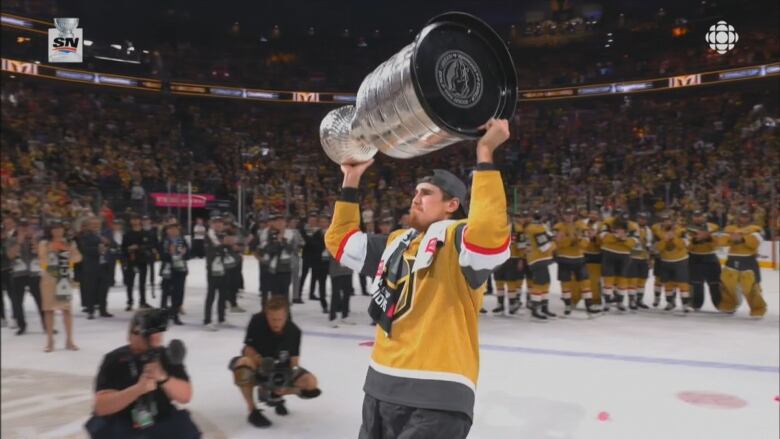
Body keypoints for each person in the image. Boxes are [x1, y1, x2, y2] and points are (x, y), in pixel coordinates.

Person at [325, 119, 511, 438]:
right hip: (380, 387)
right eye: (415, 192)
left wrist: (484, 152)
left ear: (452, 205)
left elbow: (489, 235)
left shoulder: (457, 239)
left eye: (426, 193)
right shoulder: (397, 241)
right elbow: (340, 241)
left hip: (438, 395)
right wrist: (351, 180)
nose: (415, 198)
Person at [86, 309, 200, 438]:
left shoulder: (166, 356)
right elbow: (101, 406)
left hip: (161, 421)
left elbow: (185, 396)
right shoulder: (114, 359)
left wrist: (163, 378)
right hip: (124, 424)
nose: (157, 337)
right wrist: (137, 390)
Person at [229, 297, 321, 428]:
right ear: (266, 315)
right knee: (242, 368)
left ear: (286, 316)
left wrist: (285, 383)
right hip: (258, 364)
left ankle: (274, 394)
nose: (276, 323)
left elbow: (294, 362)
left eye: (279, 319)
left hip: (281, 369)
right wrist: (260, 361)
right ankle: (252, 411)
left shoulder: (294, 331)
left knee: (311, 384)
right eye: (272, 319)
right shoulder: (257, 321)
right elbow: (247, 348)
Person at [39, 220, 82, 352]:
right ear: (50, 231)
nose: (57, 231)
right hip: (49, 279)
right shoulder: (44, 244)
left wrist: (69, 252)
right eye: (55, 228)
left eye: (60, 228)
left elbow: (78, 258)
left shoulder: (69, 243)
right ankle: (50, 340)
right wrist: (53, 250)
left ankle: (69, 340)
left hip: (63, 278)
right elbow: (42, 260)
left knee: (66, 310)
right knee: (48, 310)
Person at [716, 208, 766, 317]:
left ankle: (758, 308)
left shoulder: (756, 229)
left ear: (750, 217)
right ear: (738, 217)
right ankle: (729, 304)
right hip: (732, 260)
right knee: (727, 284)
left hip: (748, 261)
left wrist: (742, 239)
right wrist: (730, 238)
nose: (744, 219)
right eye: (742, 216)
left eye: (746, 216)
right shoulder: (730, 228)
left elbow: (757, 241)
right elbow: (721, 241)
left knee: (751, 286)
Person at [554, 208, 599, 316]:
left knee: (585, 283)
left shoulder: (581, 226)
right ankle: (568, 305)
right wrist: (573, 241)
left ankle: (589, 306)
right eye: (566, 214)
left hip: (579, 258)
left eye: (570, 214)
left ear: (574, 215)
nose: (569, 216)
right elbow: (557, 243)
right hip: (564, 258)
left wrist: (573, 241)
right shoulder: (558, 227)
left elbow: (586, 242)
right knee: (565, 283)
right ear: (563, 215)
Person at [5, 218, 45, 334]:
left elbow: (42, 255)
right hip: (18, 274)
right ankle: (21, 325)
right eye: (22, 227)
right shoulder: (11, 240)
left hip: (34, 273)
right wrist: (19, 242)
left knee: (40, 300)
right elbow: (10, 256)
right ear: (18, 228)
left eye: (27, 227)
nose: (25, 229)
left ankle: (46, 324)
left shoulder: (37, 240)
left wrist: (34, 241)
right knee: (17, 301)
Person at [687, 210, 721, 310]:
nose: (697, 218)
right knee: (696, 283)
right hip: (694, 258)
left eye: (699, 216)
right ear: (692, 217)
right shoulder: (688, 229)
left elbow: (717, 243)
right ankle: (695, 304)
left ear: (704, 216)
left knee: (715, 283)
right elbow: (687, 246)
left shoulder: (713, 227)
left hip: (710, 257)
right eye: (695, 216)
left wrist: (708, 237)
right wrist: (696, 240)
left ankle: (719, 304)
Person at [122, 215, 154, 311]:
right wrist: (128, 249)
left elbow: (150, 245)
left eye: (137, 219)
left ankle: (143, 302)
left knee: (142, 283)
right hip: (131, 260)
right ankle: (130, 302)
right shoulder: (127, 234)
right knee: (129, 283)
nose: (135, 221)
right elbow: (123, 248)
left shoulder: (146, 233)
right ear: (131, 221)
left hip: (142, 260)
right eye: (133, 219)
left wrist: (139, 247)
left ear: (140, 221)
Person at [160, 223, 189, 325]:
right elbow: (161, 256)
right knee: (166, 292)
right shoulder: (164, 241)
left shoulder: (183, 240)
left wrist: (185, 253)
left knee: (178, 293)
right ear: (167, 230)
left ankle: (175, 314)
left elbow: (189, 254)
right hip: (168, 270)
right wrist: (170, 254)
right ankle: (163, 315)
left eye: (175, 229)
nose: (173, 231)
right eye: (170, 229)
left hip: (180, 270)